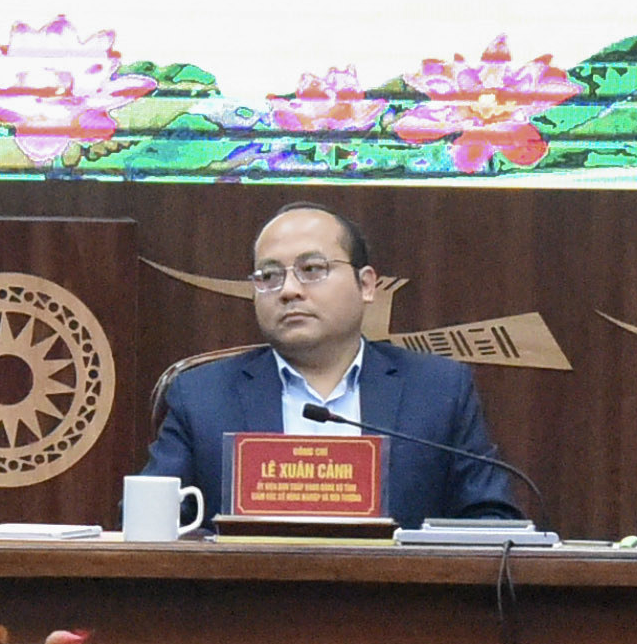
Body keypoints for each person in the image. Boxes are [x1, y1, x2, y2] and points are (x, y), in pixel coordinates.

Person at [141, 205, 517, 524]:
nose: (289, 290)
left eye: (312, 269)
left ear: (366, 285)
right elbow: (147, 521)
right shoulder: (203, 396)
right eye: (269, 276)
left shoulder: (437, 390)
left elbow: (491, 518)